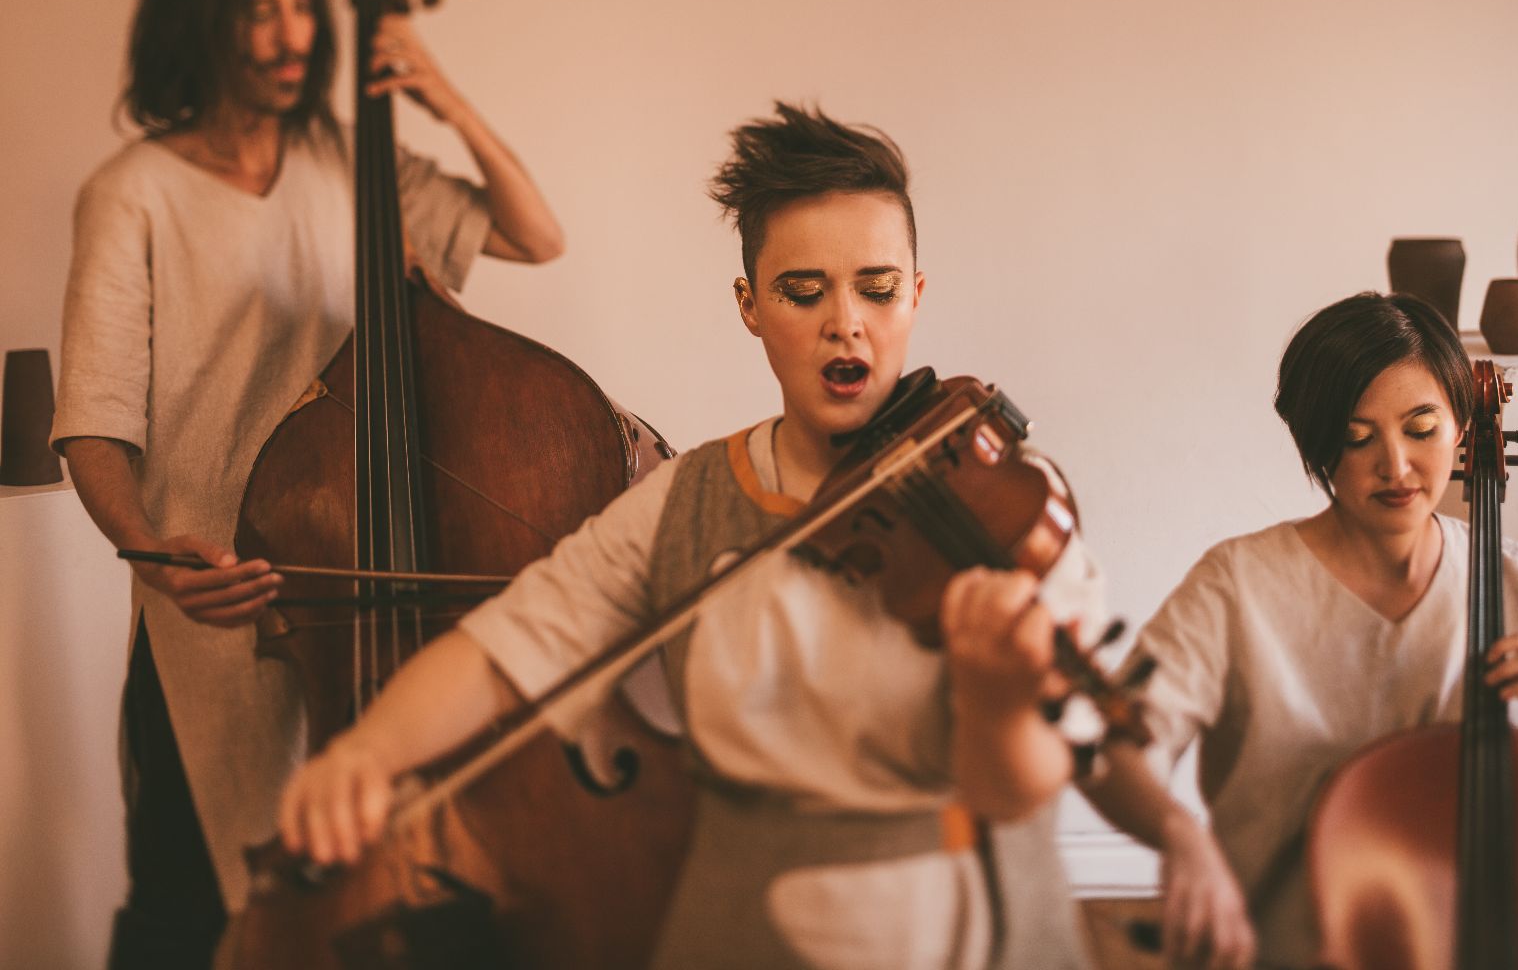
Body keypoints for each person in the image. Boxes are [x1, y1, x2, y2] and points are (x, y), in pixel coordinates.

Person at [276, 101, 1105, 968]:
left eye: (878, 286)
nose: (846, 322)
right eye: (803, 290)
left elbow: (1020, 785)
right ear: (750, 305)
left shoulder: (1006, 499)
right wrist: (367, 752)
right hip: (744, 934)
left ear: (917, 293)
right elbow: (512, 643)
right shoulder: (683, 499)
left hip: (969, 936)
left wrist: (1002, 698)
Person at [49, 0, 565, 968]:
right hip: (218, 619)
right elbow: (93, 425)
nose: (292, 35)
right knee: (196, 923)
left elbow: (533, 233)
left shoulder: (349, 157)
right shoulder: (131, 195)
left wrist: (444, 96)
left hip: (377, 592)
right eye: (257, 12)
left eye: (300, 7)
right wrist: (151, 551)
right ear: (201, 22)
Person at [1078, 292, 1518, 970]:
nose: (1394, 466)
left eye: (1421, 429)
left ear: (1462, 425)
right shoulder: (1237, 584)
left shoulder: (1511, 581)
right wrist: (1180, 835)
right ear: (1315, 442)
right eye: (1357, 439)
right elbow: (1114, 747)